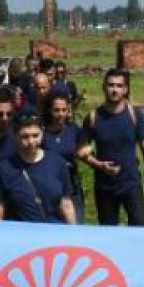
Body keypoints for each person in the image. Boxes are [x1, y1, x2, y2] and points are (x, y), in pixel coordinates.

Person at [77, 68, 144, 225]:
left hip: (131, 184)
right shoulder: (93, 118)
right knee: (109, 234)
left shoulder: (135, 115)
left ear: (125, 89)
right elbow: (82, 151)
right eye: (110, 85)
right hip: (104, 188)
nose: (114, 90)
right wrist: (99, 165)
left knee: (138, 230)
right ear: (104, 87)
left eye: (118, 86)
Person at [0, 110, 76, 224]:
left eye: (35, 136)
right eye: (24, 136)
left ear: (42, 132)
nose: (31, 142)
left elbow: (66, 203)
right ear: (15, 135)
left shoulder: (57, 162)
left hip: (54, 233)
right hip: (21, 234)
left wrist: (73, 232)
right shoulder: (4, 169)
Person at [42, 91, 85, 223]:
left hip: (72, 187)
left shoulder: (74, 130)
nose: (61, 114)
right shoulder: (42, 134)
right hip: (50, 187)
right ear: (49, 110)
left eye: (64, 110)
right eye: (56, 110)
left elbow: (85, 149)